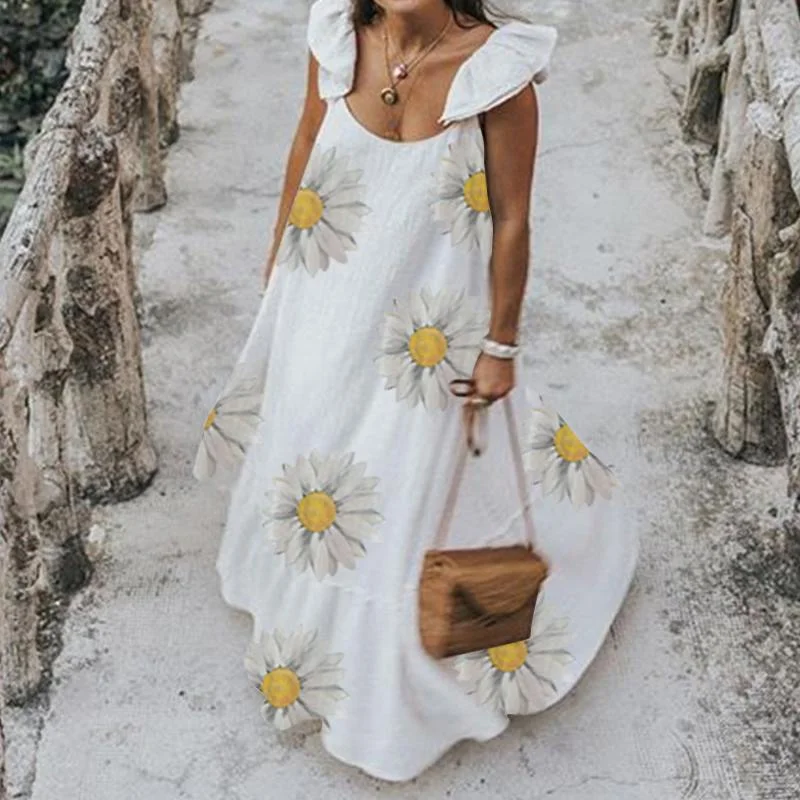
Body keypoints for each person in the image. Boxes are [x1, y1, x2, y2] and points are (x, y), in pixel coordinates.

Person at [193, 0, 637, 782]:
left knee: (401, 491)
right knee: (314, 453)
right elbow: (306, 140)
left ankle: (387, 693)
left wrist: (500, 346)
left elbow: (513, 219)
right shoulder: (337, 37)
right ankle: (313, 620)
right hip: (327, 302)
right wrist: (278, 263)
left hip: (430, 339)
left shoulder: (499, 75)